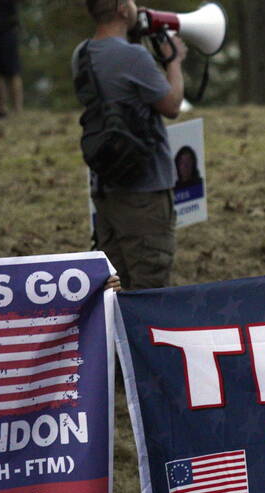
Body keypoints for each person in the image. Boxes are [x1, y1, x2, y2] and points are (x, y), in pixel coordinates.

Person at [75, 0, 186, 289]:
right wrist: (173, 61)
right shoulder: (134, 56)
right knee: (149, 285)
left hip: (106, 185)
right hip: (145, 189)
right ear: (123, 8)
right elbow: (171, 105)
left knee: (114, 286)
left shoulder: (81, 54)